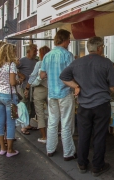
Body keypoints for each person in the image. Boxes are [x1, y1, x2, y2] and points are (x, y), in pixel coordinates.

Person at [60, 36, 114, 176]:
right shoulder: (106, 63)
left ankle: (82, 163)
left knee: (84, 135)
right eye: (102, 47)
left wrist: (76, 86)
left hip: (84, 105)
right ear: (99, 48)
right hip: (101, 104)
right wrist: (105, 90)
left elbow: (63, 77)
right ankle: (97, 166)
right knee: (99, 135)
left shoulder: (77, 62)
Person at [40, 29, 77, 161]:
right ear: (65, 40)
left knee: (52, 121)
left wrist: (51, 77)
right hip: (65, 92)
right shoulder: (68, 55)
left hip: (52, 93)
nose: (70, 41)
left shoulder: (47, 55)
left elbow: (42, 75)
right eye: (69, 39)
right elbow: (74, 74)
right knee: (66, 123)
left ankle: (50, 149)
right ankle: (68, 152)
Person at [0, 43, 23, 157]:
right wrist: (19, 81)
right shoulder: (11, 65)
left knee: (0, 122)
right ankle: (10, 150)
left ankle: (2, 148)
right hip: (10, 96)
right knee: (10, 123)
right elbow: (12, 82)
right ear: (11, 52)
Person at [24, 46, 51, 144]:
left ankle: (44, 137)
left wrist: (27, 88)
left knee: (40, 114)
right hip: (51, 90)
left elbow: (32, 78)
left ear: (41, 54)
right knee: (53, 113)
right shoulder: (52, 63)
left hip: (39, 91)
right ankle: (54, 133)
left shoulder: (39, 63)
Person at [17, 44, 38, 134]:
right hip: (24, 87)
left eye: (36, 50)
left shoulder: (36, 61)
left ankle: (28, 124)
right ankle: (23, 127)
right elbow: (14, 69)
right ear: (29, 51)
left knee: (32, 106)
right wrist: (21, 76)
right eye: (34, 50)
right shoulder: (22, 61)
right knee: (25, 106)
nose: (36, 52)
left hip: (33, 87)